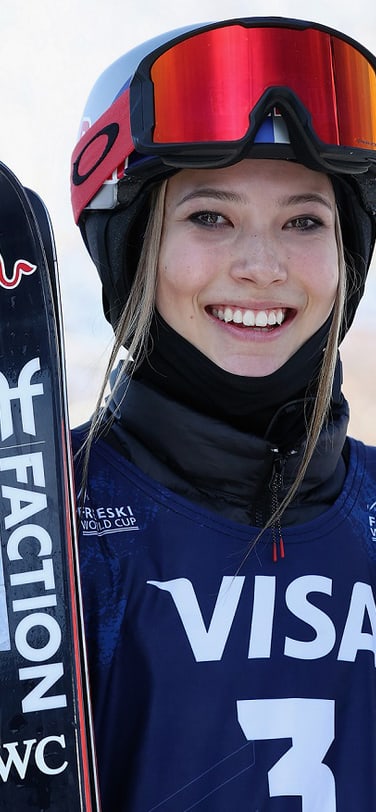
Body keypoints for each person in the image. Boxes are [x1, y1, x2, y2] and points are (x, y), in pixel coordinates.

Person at [70, 16, 376, 811]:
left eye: (305, 221)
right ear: (134, 248)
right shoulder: (45, 527)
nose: (261, 266)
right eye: (210, 216)